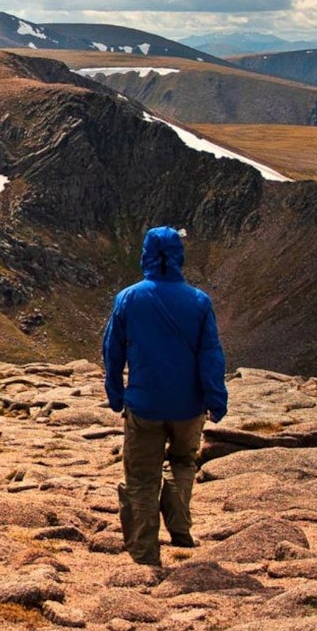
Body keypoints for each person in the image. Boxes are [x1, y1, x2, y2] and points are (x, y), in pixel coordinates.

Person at [103, 226, 227, 567]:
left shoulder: (129, 298)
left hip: (144, 405)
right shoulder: (199, 301)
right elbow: (211, 354)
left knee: (142, 477)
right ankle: (181, 529)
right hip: (189, 407)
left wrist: (116, 393)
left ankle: (145, 552)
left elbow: (112, 352)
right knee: (184, 463)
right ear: (178, 257)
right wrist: (216, 399)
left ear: (145, 254)